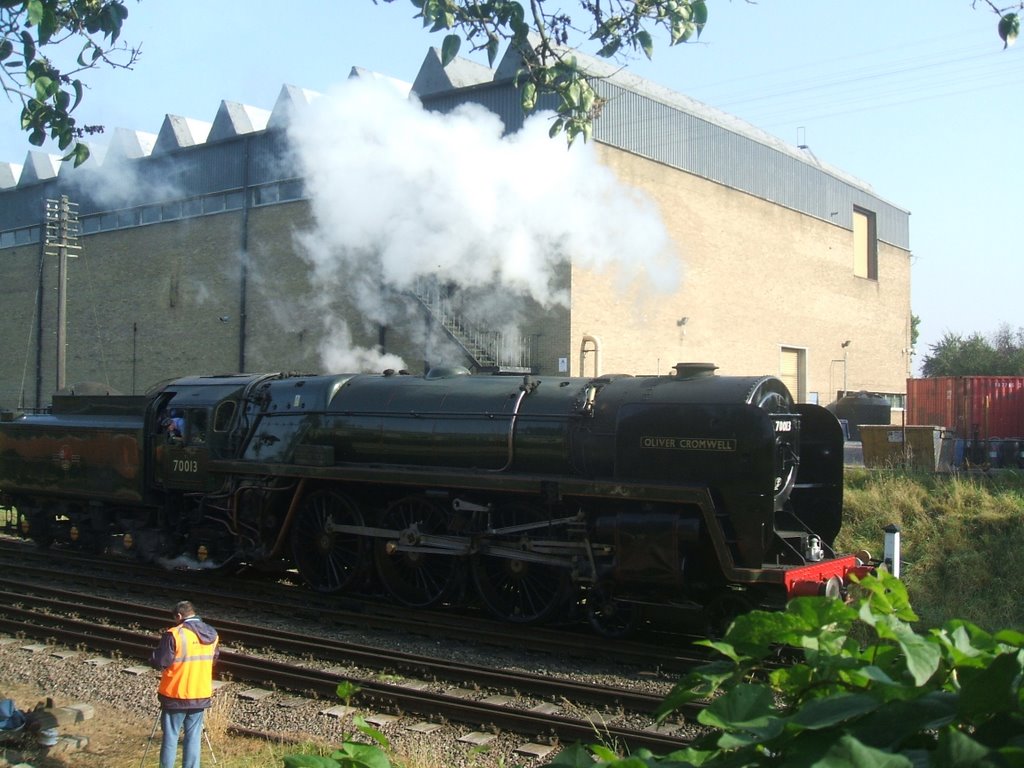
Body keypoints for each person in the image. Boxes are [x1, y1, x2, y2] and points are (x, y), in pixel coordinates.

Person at [149, 600, 219, 768]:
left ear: (179, 616)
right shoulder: (212, 634)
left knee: (171, 737)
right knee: (194, 737)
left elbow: (161, 662)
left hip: (175, 694)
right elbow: (214, 660)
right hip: (200, 693)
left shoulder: (174, 634)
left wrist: (152, 657)